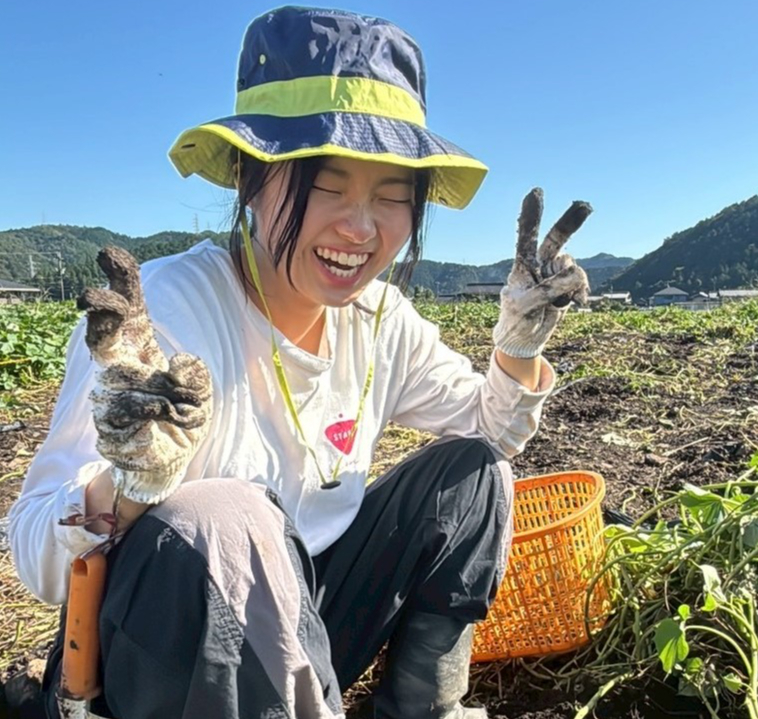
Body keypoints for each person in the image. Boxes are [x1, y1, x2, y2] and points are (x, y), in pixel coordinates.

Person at [9, 7, 591, 719]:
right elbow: (35, 549)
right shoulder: (160, 312)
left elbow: (490, 429)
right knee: (221, 515)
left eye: (390, 194)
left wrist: (518, 345)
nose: (361, 227)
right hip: (169, 661)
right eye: (327, 184)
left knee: (472, 472)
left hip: (305, 627)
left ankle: (420, 708)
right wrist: (130, 482)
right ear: (252, 180)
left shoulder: (378, 318)